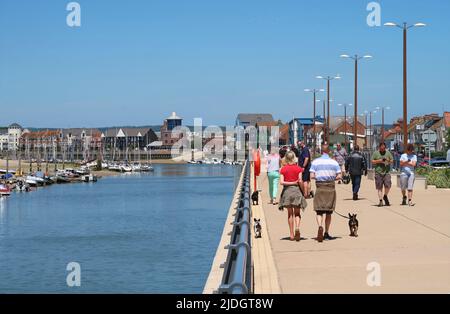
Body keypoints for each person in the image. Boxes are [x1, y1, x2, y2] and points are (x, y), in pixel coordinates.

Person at [310, 144, 342, 243]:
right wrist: (332, 177)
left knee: (319, 210)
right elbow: (339, 176)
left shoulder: (315, 162)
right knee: (329, 211)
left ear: (321, 151)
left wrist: (319, 177)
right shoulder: (334, 162)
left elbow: (312, 176)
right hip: (330, 187)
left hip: (320, 186)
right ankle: (327, 232)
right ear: (329, 152)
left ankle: (320, 226)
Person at [279, 151, 307, 242]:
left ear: (286, 158)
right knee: (297, 213)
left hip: (287, 192)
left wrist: (290, 183)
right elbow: (300, 181)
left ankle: (291, 234)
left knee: (290, 214)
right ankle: (297, 228)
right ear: (294, 158)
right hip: (296, 191)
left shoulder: (283, 169)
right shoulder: (299, 169)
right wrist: (304, 192)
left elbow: (281, 182)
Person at [372, 142, 393, 207]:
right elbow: (372, 161)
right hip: (378, 172)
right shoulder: (375, 153)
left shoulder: (388, 153)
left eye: (384, 148)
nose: (383, 150)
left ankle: (385, 196)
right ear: (379, 148)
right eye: (381, 148)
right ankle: (380, 201)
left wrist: (387, 160)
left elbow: (392, 160)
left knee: (388, 185)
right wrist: (380, 161)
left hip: (386, 172)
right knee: (379, 187)